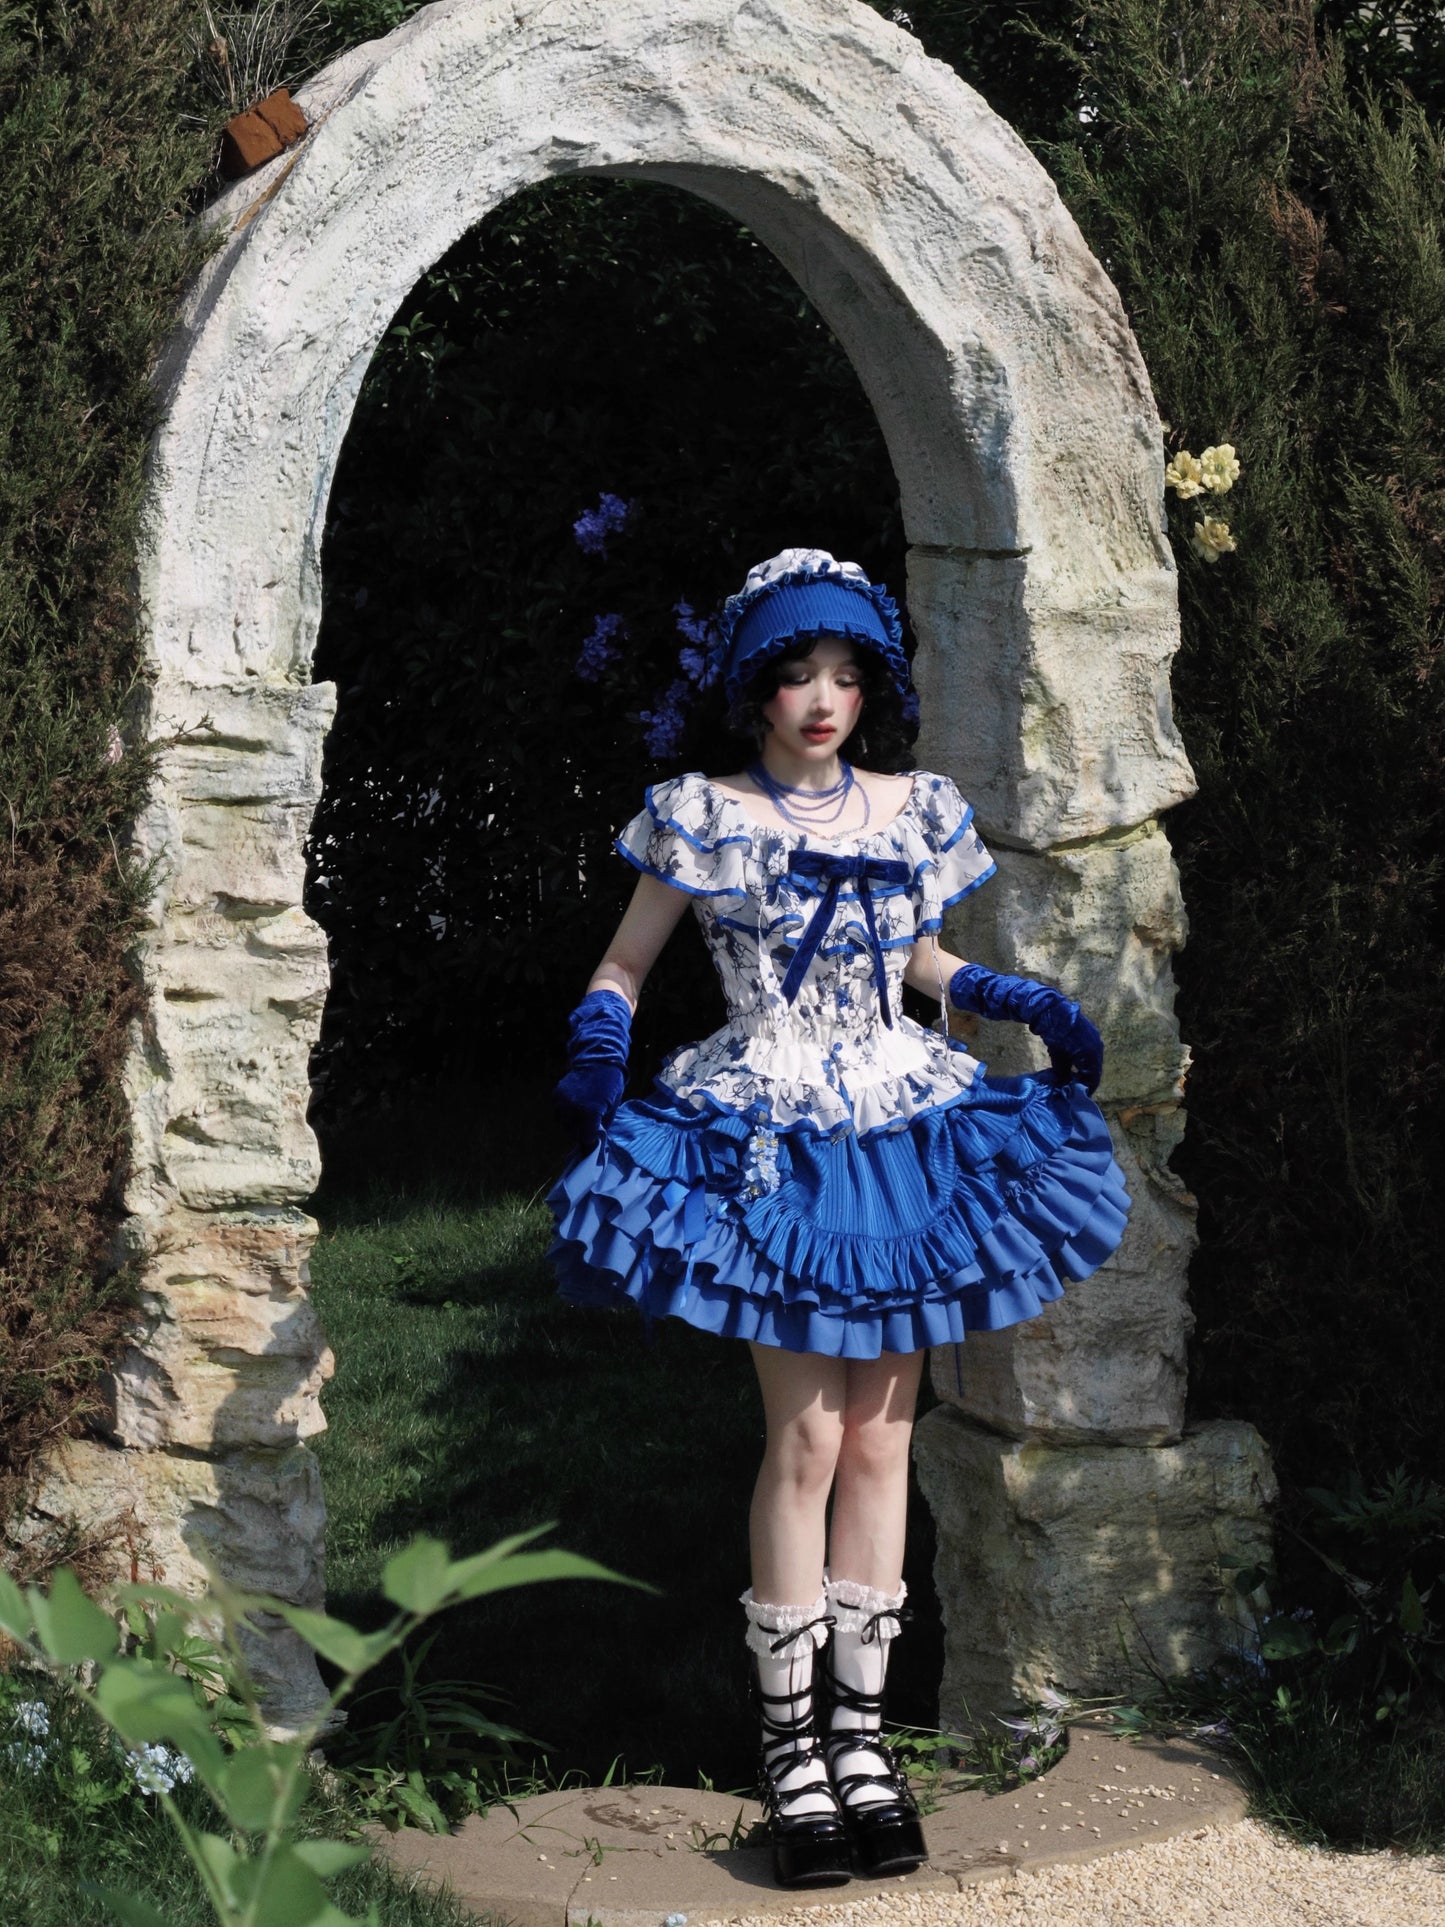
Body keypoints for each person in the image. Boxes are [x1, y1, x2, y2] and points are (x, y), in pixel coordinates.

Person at [546, 549, 1130, 1889]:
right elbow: (626, 960)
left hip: (900, 1121)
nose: (822, 699)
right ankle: (792, 1756)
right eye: (798, 674)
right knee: (806, 1437)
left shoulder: (912, 810)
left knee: (882, 1439)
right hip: (773, 1130)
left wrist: (1003, 994)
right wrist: (599, 1035)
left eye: (846, 674)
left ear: (872, 688)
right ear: (756, 685)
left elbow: (911, 954)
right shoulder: (705, 815)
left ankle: (863, 1749)